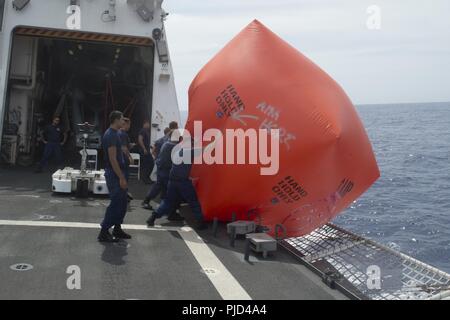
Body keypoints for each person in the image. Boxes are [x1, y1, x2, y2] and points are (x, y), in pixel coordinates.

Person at [146, 136, 207, 230]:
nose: (193, 145)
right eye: (192, 144)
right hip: (183, 182)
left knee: (167, 201)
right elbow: (205, 149)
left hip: (172, 181)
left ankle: (153, 217)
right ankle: (200, 222)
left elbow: (181, 167)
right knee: (193, 201)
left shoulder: (178, 151)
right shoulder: (188, 152)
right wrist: (217, 140)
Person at [98, 111, 131, 243]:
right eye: (122, 119)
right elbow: (112, 159)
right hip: (114, 173)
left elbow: (119, 152)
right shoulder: (110, 135)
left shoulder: (116, 133)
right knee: (116, 202)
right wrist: (121, 177)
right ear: (116, 120)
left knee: (122, 202)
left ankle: (117, 228)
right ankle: (104, 231)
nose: (123, 121)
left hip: (119, 171)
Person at [141, 130, 183, 222]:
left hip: (161, 170)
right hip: (167, 172)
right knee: (173, 194)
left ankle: (147, 201)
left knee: (159, 188)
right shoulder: (174, 146)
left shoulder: (166, 143)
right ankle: (169, 213)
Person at [118, 117, 134, 201]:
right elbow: (123, 147)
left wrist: (129, 145)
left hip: (120, 159)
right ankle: (123, 196)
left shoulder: (118, 133)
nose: (130, 126)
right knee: (124, 177)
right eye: (129, 124)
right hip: (124, 159)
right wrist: (130, 157)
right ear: (126, 124)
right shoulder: (123, 134)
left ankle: (124, 194)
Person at [138, 120, 154, 184]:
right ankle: (145, 179)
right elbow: (140, 140)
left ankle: (147, 178)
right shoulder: (142, 131)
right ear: (145, 124)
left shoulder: (146, 131)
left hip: (146, 150)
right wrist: (144, 148)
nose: (149, 125)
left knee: (150, 164)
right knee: (148, 164)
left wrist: (150, 147)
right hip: (144, 151)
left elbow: (145, 141)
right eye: (148, 124)